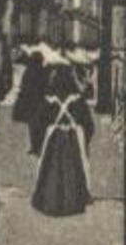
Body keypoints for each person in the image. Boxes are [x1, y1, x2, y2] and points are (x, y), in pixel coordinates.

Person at [31, 64, 94, 217]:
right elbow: (90, 125)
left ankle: (49, 202)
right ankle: (73, 203)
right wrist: (84, 139)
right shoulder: (78, 100)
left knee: (49, 171)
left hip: (53, 139)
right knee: (73, 171)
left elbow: (37, 123)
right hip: (72, 139)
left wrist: (39, 142)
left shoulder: (49, 100)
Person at [12, 51, 50, 155]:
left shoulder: (28, 71)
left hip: (30, 102)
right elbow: (46, 87)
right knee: (41, 125)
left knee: (32, 126)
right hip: (40, 102)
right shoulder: (44, 71)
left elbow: (24, 86)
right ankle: (39, 146)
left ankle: (34, 147)